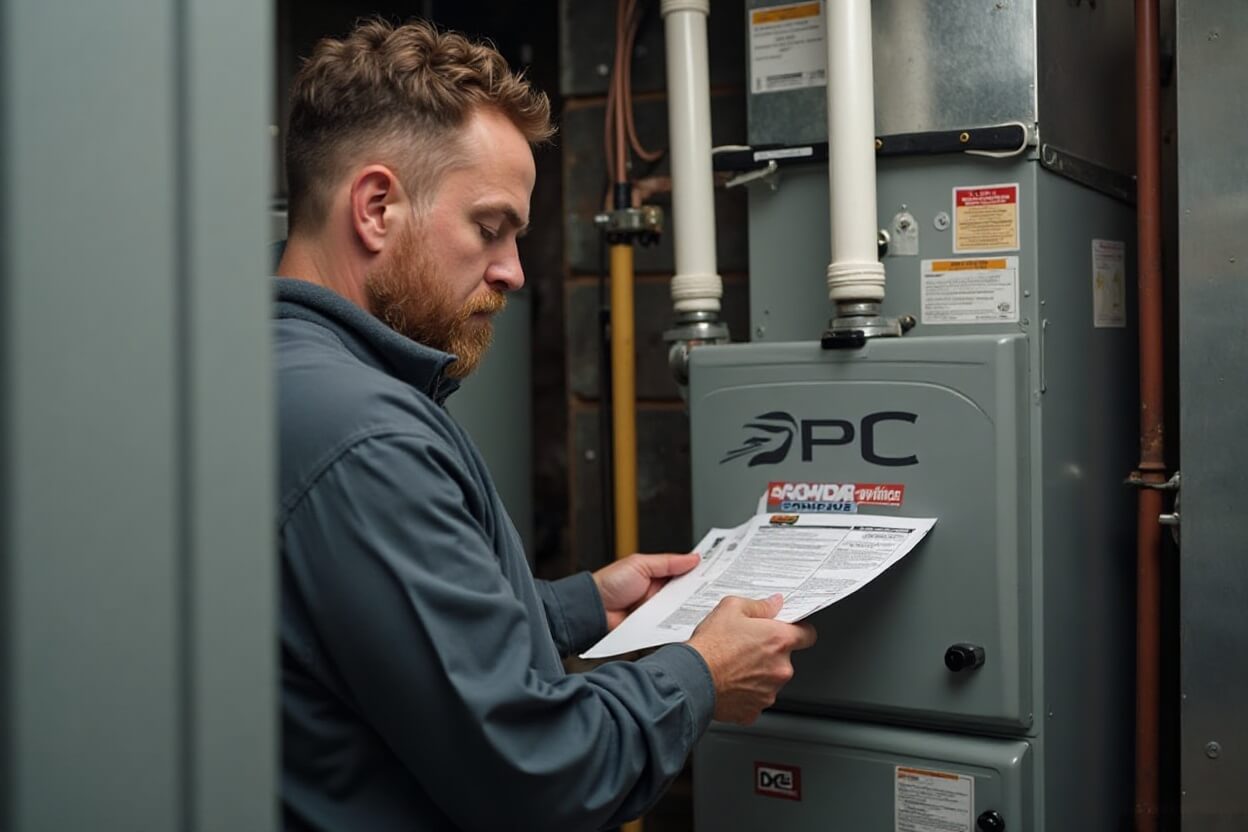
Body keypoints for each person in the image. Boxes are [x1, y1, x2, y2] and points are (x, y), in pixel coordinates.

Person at [274, 18, 816, 832]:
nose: (514, 271)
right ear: (377, 206)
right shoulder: (367, 438)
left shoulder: (268, 376)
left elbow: (362, 636)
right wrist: (702, 673)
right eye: (491, 228)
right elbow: (542, 777)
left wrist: (570, 609)